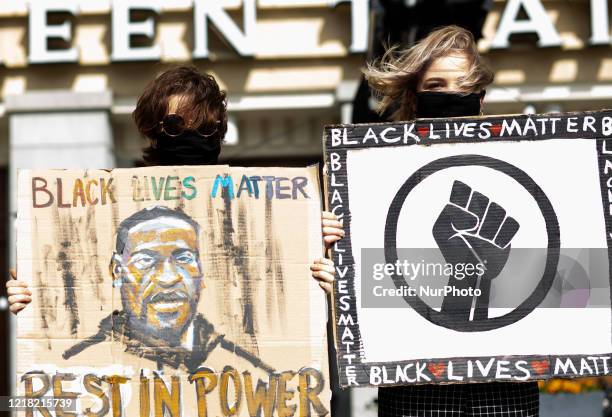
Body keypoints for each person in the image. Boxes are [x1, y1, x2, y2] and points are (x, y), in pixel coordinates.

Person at [7, 66, 342, 313]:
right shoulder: (115, 212)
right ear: (155, 130)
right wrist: (33, 297)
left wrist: (324, 270)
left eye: (205, 126)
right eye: (176, 125)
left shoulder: (263, 214)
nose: (192, 136)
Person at [364, 26, 539, 417]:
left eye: (461, 85)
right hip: (415, 386)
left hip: (507, 384)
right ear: (414, 95)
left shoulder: (527, 164)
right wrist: (338, 250)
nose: (449, 95)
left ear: (480, 96)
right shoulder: (374, 175)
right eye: (436, 84)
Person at [62, 205, 275, 374]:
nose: (168, 278)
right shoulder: (74, 372)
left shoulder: (253, 376)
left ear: (200, 273)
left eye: (183, 259)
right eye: (145, 260)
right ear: (117, 271)